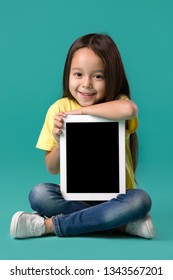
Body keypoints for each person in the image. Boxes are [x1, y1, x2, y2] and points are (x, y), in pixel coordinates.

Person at [10, 33, 156, 239]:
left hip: (117, 197)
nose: (87, 84)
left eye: (98, 76)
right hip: (75, 196)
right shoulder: (58, 109)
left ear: (112, 77)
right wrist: (61, 142)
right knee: (39, 194)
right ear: (68, 74)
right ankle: (121, 224)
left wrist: (80, 113)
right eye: (78, 74)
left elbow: (130, 109)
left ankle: (50, 225)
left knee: (141, 200)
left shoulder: (117, 103)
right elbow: (51, 168)